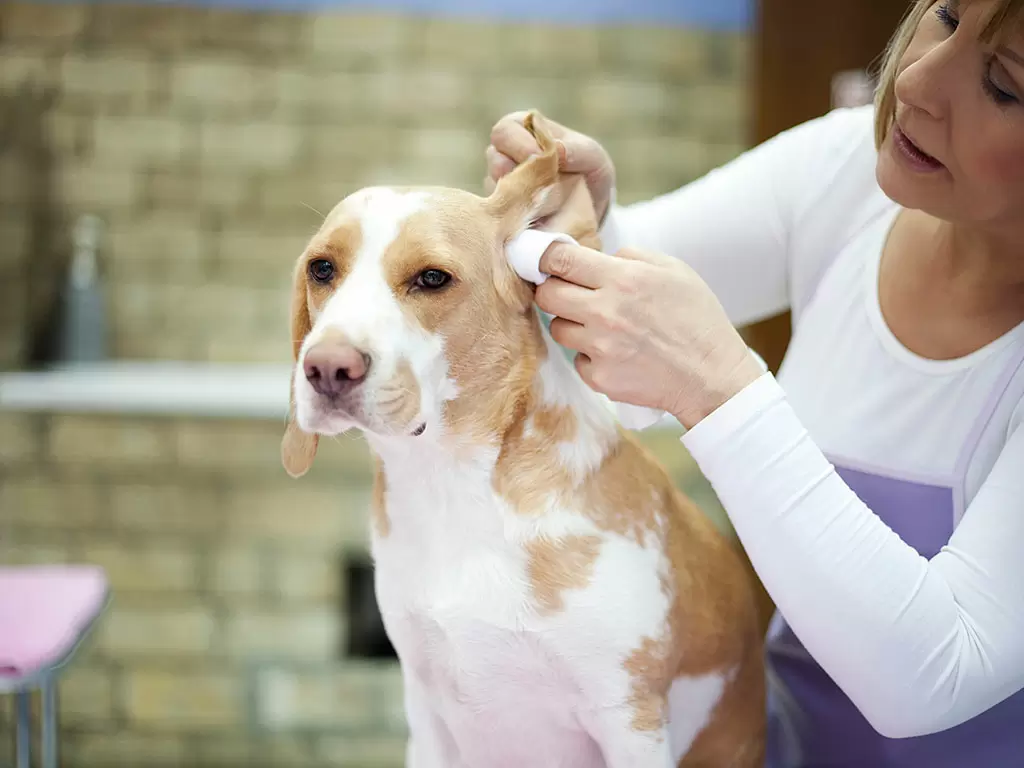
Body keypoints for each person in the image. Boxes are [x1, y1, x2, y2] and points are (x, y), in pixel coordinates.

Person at [485, 1, 1024, 766]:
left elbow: (932, 674)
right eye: (943, 16)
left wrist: (720, 390)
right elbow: (626, 287)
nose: (917, 80)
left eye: (1004, 86)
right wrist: (586, 226)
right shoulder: (846, 171)